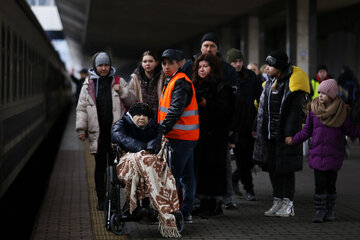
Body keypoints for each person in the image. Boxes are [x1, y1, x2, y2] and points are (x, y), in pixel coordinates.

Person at [286, 79, 360, 223]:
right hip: (317, 154)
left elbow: (349, 129)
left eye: (324, 93)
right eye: (319, 92)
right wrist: (293, 139)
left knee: (331, 184)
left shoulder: (341, 111)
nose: (320, 95)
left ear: (332, 95)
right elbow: (306, 131)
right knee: (319, 185)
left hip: (334, 154)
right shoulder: (313, 110)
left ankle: (330, 210)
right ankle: (319, 210)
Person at [75, 51, 136, 211]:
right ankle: (101, 199)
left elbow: (132, 100)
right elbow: (81, 108)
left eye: (106, 65)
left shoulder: (118, 81)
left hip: (116, 134)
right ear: (95, 66)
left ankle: (114, 199)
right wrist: (81, 129)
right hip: (97, 134)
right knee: (100, 167)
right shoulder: (89, 84)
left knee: (115, 167)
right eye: (100, 65)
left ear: (110, 66)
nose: (103, 68)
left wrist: (121, 91)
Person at [252, 50, 310, 217]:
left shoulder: (292, 84)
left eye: (271, 65)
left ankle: (288, 203)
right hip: (269, 135)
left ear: (280, 67)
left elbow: (294, 113)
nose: (267, 68)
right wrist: (257, 127)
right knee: (273, 169)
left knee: (286, 170)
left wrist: (290, 134)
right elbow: (263, 109)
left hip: (285, 136)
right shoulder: (270, 83)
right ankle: (277, 201)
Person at [112, 102, 181, 237]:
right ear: (132, 116)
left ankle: (147, 206)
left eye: (145, 115)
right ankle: (140, 206)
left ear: (149, 118)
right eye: (138, 114)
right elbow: (116, 136)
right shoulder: (122, 123)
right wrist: (141, 148)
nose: (142, 117)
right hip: (129, 159)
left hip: (150, 162)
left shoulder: (155, 127)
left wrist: (147, 150)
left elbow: (157, 142)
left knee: (149, 164)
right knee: (145, 164)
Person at [158, 49, 199, 223]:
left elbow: (175, 110)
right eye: (164, 63)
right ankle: (186, 211)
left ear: (179, 64)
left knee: (173, 176)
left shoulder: (181, 82)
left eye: (170, 63)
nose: (166, 66)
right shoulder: (172, 80)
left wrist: (161, 130)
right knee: (187, 176)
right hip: (183, 136)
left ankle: (173, 214)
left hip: (181, 137)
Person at [190, 53, 235, 217]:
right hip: (200, 135)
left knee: (214, 170)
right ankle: (203, 203)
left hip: (216, 136)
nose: (202, 70)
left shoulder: (222, 86)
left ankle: (215, 205)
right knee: (201, 169)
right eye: (200, 67)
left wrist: (206, 104)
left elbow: (226, 111)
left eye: (206, 66)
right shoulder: (194, 85)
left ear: (213, 68)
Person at [226, 48, 262, 202]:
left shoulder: (251, 76)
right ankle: (249, 188)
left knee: (253, 157)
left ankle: (235, 178)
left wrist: (258, 121)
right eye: (234, 61)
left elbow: (261, 98)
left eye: (240, 61)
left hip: (250, 122)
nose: (238, 64)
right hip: (235, 124)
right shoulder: (226, 76)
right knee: (241, 157)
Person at [129, 51, 164, 117]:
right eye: (145, 61)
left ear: (156, 63)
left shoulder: (163, 77)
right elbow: (129, 98)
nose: (147, 64)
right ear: (142, 63)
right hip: (142, 118)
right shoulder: (135, 78)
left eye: (150, 61)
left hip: (159, 117)